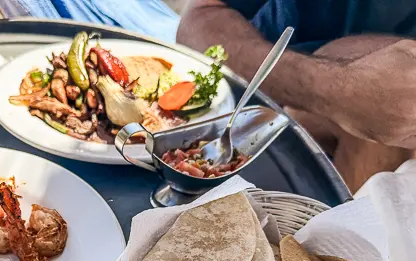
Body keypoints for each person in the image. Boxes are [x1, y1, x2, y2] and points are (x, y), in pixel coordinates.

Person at [177, 0, 416, 192]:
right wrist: (328, 87)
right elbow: (198, 24)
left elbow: (396, 96)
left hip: (350, 189)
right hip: (229, 110)